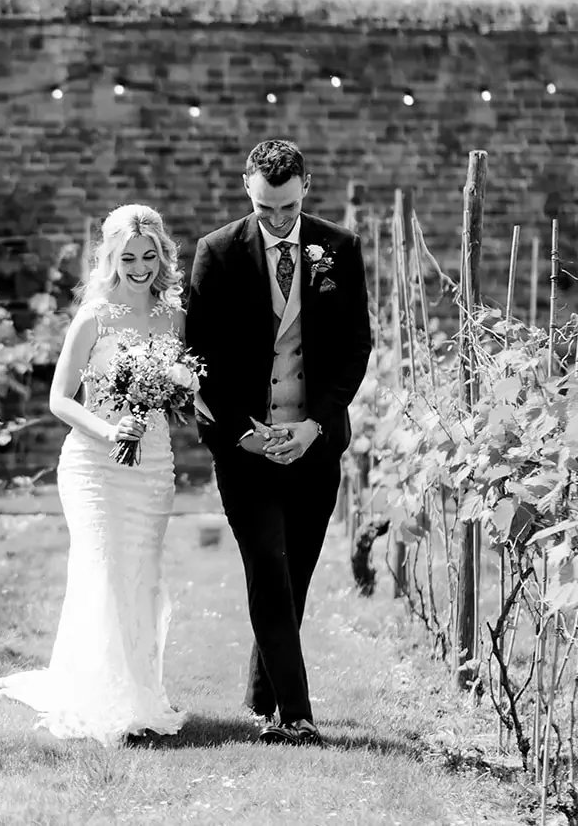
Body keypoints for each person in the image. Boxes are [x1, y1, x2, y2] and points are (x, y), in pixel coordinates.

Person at [185, 140, 373, 747]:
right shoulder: (215, 253)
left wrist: (315, 424)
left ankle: (262, 690)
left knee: (295, 578)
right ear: (248, 188)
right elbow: (199, 358)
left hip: (315, 443)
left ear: (306, 187)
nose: (278, 220)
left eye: (288, 207)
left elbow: (354, 349)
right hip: (244, 447)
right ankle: (294, 715)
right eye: (266, 209)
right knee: (267, 564)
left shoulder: (339, 249)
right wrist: (245, 433)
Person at [0, 204, 186, 746]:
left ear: (162, 255)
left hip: (152, 464)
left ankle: (140, 698)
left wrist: (179, 396)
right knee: (100, 571)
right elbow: (58, 399)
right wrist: (108, 430)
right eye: (128, 257)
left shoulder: (173, 318)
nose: (140, 266)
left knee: (140, 574)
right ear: (111, 259)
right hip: (94, 463)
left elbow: (178, 387)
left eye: (149, 256)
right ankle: (99, 701)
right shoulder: (94, 317)